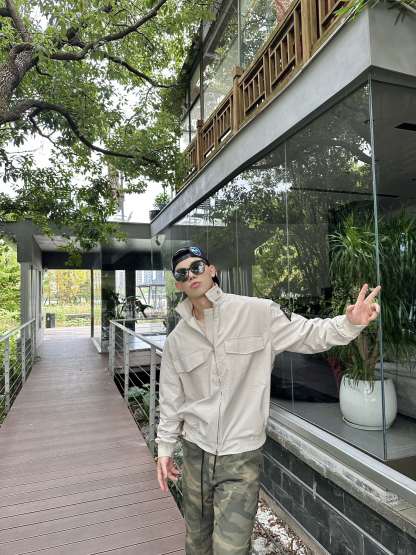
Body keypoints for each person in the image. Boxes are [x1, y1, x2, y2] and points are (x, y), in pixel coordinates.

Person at [155, 245, 380, 555]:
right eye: (182, 273)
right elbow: (170, 400)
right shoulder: (177, 340)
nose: (191, 275)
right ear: (179, 285)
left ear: (212, 270)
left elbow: (309, 334)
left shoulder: (257, 312)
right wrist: (165, 449)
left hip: (240, 456)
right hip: (196, 452)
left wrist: (349, 323)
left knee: (231, 549)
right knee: (196, 541)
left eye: (197, 267)